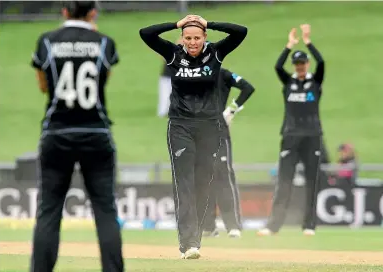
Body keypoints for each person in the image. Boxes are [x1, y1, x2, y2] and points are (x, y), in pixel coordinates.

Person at [139, 15, 247, 259]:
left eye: (197, 38)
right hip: (180, 126)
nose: (193, 42)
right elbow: (146, 33)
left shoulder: (216, 54)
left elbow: (240, 30)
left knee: (203, 184)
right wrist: (177, 24)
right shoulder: (173, 55)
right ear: (183, 39)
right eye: (188, 38)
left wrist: (207, 23)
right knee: (184, 183)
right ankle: (189, 243)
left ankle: (195, 237)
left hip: (210, 127)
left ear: (205, 38)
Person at [30, 2, 124, 271]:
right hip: (96, 132)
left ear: (64, 11)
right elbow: (102, 79)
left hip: (56, 132)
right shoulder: (104, 42)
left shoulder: (47, 41)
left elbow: (43, 85)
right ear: (93, 12)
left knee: (49, 210)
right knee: (105, 210)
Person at [257, 24, 325, 237]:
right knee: (284, 182)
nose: (299, 66)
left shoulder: (315, 81)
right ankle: (273, 226)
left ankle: (309, 225)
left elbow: (322, 62)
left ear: (307, 63)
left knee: (312, 182)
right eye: (296, 64)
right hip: (290, 136)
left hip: (313, 136)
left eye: (302, 63)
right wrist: (289, 46)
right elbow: (278, 67)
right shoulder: (289, 82)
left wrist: (308, 42)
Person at [202, 68, 255, 238]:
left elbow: (247, 87)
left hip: (219, 132)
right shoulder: (191, 73)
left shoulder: (222, 74)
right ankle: (208, 227)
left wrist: (231, 109)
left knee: (223, 177)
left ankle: (233, 226)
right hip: (198, 133)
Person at [157, 38, 183, 117]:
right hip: (167, 76)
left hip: (175, 77)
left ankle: (165, 112)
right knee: (165, 95)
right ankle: (162, 112)